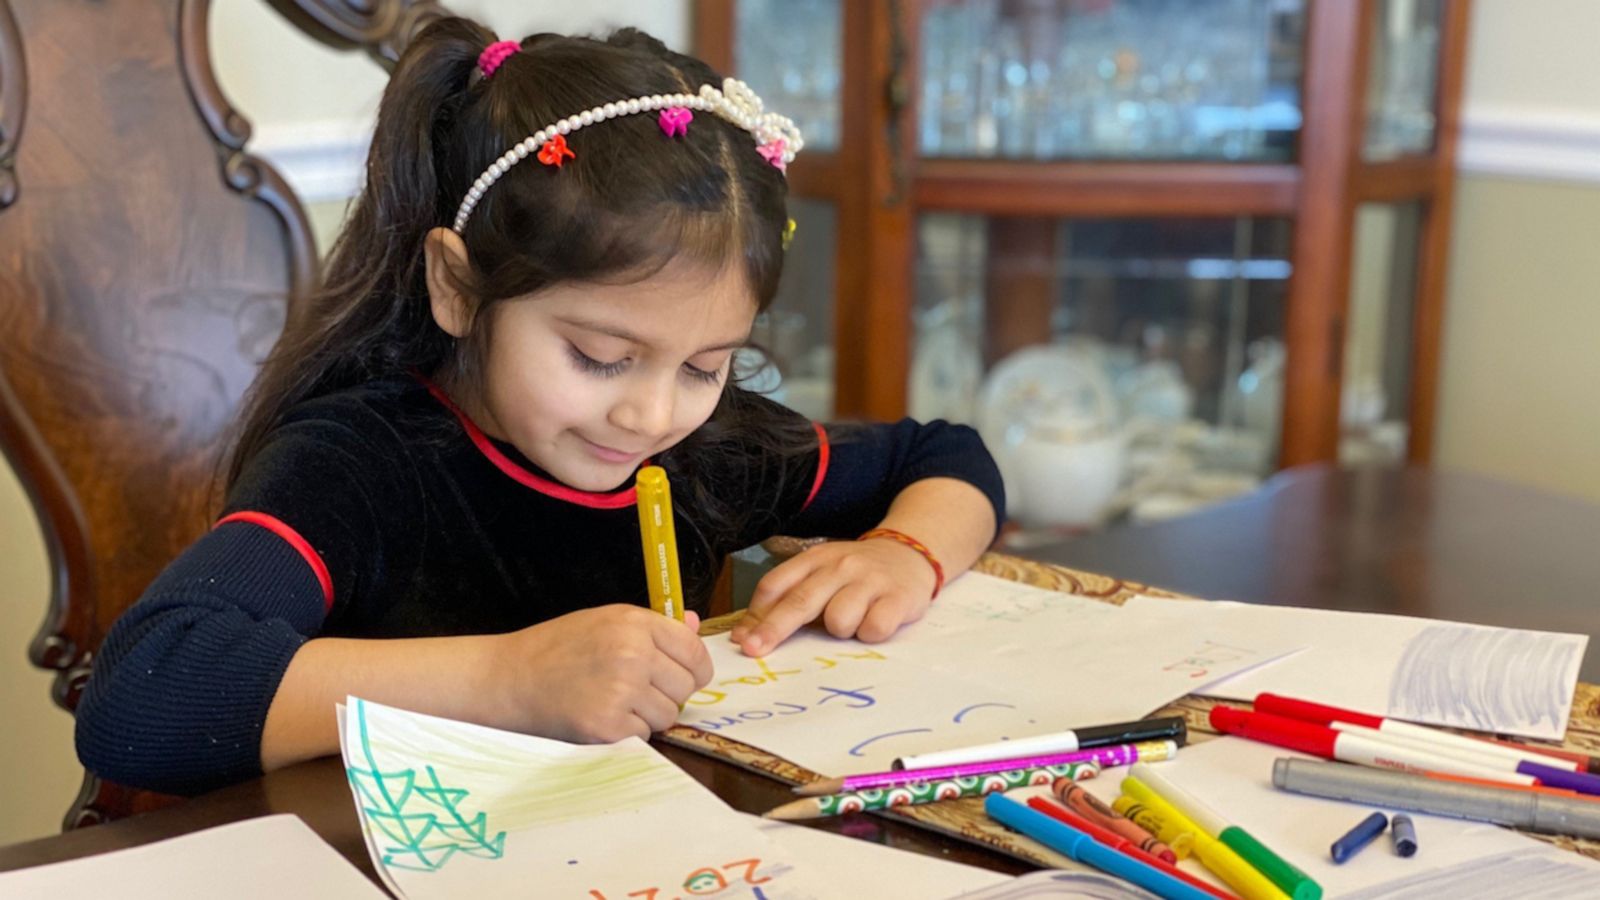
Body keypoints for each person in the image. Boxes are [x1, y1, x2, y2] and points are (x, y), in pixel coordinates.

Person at [74, 17, 1004, 796]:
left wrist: (904, 553)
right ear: (456, 285)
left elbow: (947, 457)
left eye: (706, 365)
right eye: (601, 357)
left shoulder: (702, 450)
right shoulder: (361, 464)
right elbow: (146, 695)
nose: (649, 415)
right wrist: (507, 677)